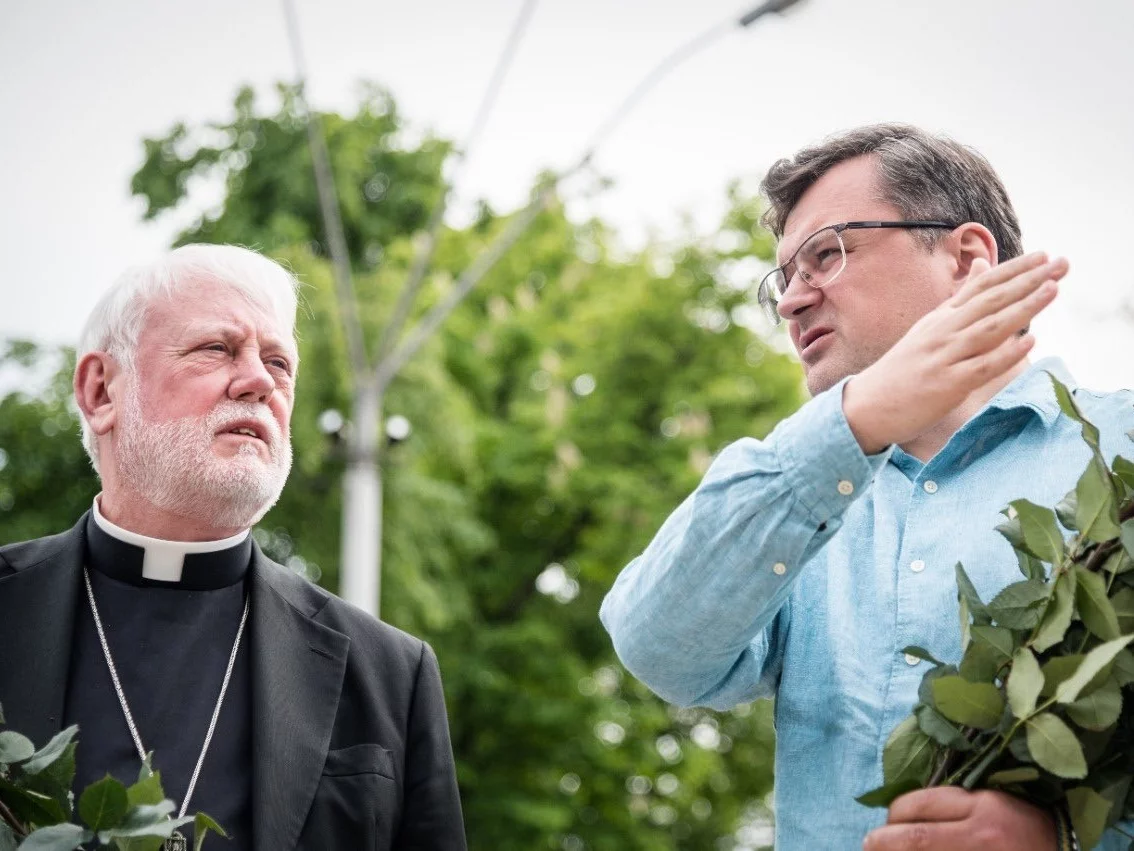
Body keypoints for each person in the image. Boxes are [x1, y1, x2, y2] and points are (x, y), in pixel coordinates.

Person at [600, 124, 1134, 850]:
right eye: (783, 279)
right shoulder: (796, 507)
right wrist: (854, 423)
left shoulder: (1123, 450)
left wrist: (1071, 839)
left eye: (827, 254)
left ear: (968, 258)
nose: (791, 303)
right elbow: (657, 646)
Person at [0, 245, 467, 850]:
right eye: (217, 349)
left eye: (279, 362)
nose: (258, 383)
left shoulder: (388, 675)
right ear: (101, 391)